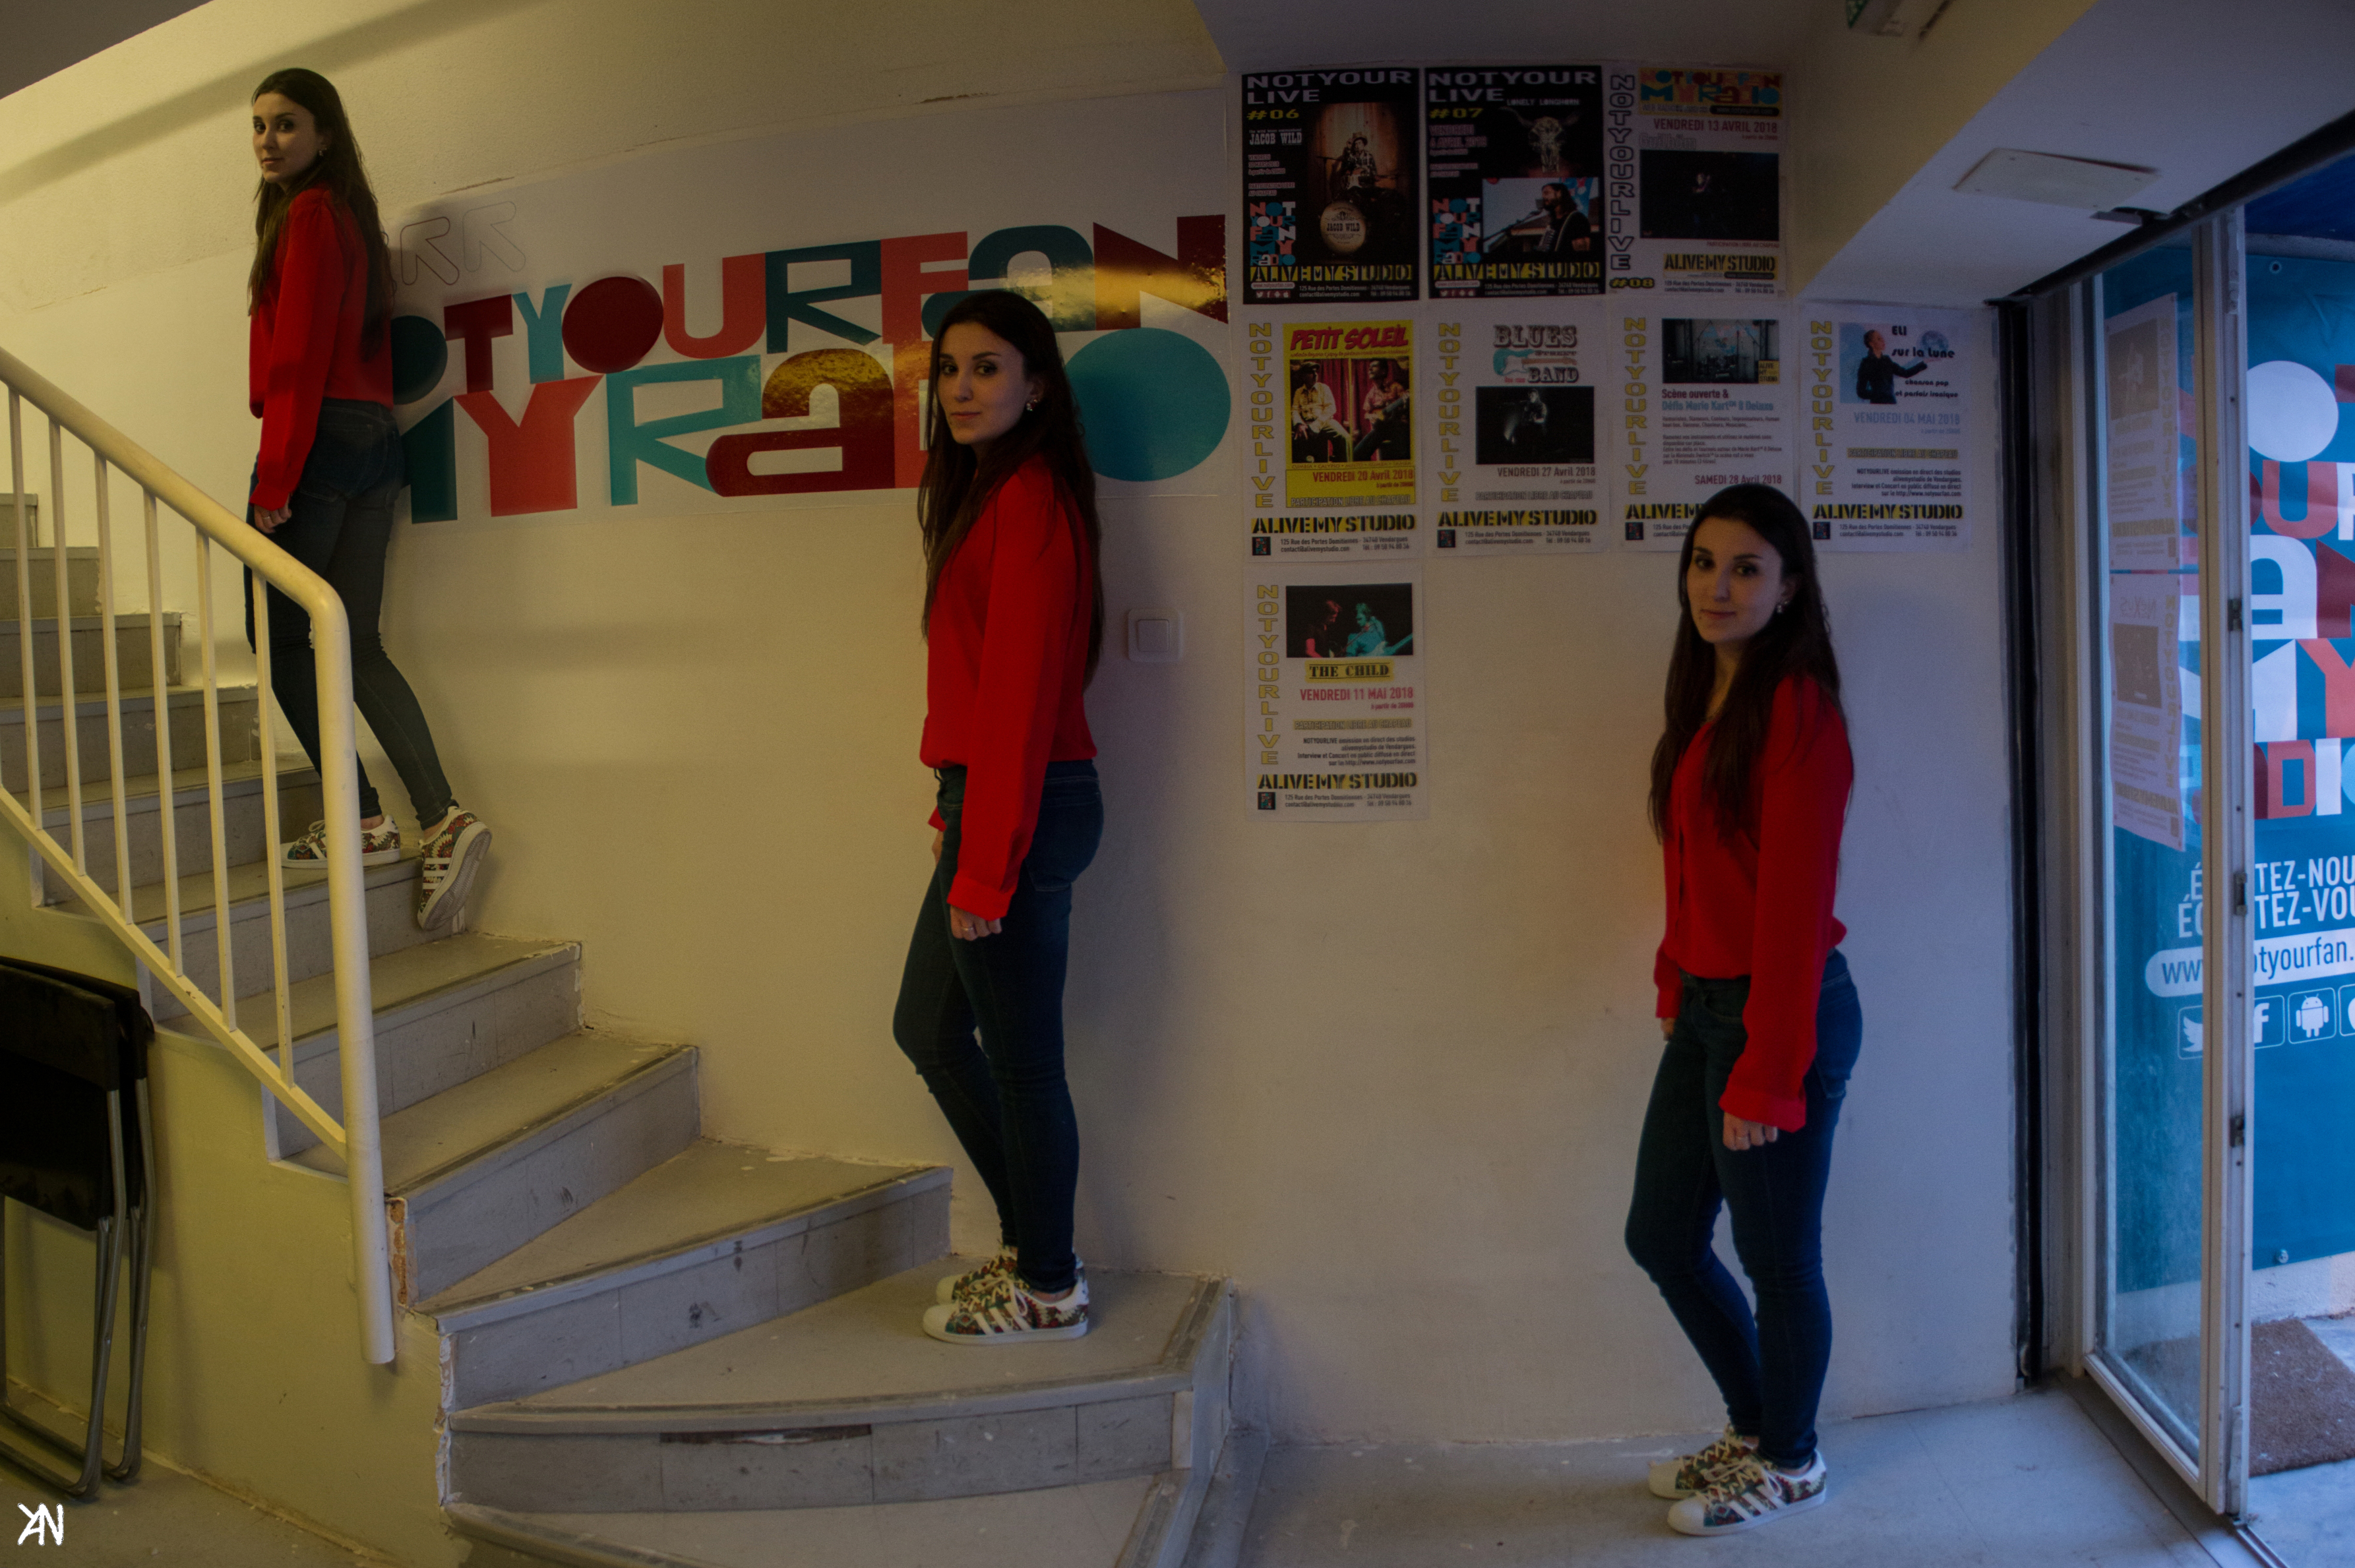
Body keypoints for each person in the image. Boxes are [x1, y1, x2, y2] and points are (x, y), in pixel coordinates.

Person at [1622, 483, 1860, 1536]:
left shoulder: (1796, 709)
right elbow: (1695, 872)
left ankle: (1791, 1459)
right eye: (1702, 562)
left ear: (1788, 587)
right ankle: (1756, 1425)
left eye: (1746, 568)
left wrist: (1767, 1069)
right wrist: (1673, 983)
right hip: (1707, 1010)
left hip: (1780, 1015)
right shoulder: (1705, 702)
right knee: (1660, 1235)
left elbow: (1793, 905)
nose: (1716, 586)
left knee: (1778, 1262)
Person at [892, 290, 1106, 1345]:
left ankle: (1049, 1286)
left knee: (1022, 1067)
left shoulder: (1028, 501)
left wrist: (986, 862)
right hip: (990, 800)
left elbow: (1018, 702)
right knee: (927, 1029)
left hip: (1022, 803)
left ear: (1036, 385)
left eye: (987, 367)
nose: (962, 388)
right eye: (948, 369)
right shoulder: (987, 494)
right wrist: (961, 821)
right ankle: (1033, 1253)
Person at [243, 69, 487, 928]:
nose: (268, 140)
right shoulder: (347, 214)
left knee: (281, 638)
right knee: (355, 640)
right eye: (259, 126)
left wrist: (277, 476)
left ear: (325, 134)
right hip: (374, 439)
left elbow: (299, 354)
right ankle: (439, 817)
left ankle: (362, 819)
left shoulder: (312, 214)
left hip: (319, 441)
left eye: (287, 124)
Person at [1854, 329, 1926, 404]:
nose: (1883, 340)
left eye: (1882, 338)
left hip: (1891, 403)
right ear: (1871, 344)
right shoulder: (1866, 363)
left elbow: (1905, 373)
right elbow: (1861, 392)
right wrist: (1879, 395)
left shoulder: (1887, 360)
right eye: (1879, 339)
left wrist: (1924, 363)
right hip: (1877, 405)